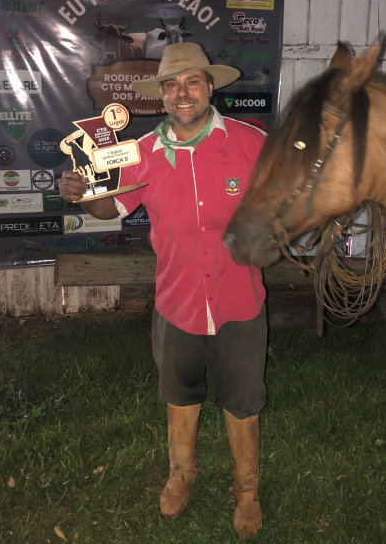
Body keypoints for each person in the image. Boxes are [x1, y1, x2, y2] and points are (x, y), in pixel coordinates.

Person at [59, 42, 267, 539]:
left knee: (243, 399)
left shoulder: (251, 142)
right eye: (171, 85)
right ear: (162, 95)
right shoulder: (141, 153)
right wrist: (84, 193)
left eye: (192, 82)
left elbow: (288, 199)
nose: (182, 93)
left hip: (240, 299)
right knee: (179, 393)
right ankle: (181, 474)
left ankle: (247, 490)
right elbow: (110, 207)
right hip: (178, 301)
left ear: (209, 87)